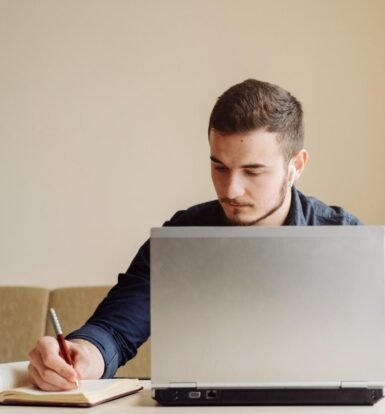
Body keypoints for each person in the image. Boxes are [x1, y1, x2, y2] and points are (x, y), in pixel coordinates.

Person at [27, 79, 360, 391]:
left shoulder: (347, 239)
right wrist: (84, 353)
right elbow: (116, 328)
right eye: (220, 167)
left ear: (296, 165)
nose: (231, 189)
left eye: (252, 170)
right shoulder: (183, 235)